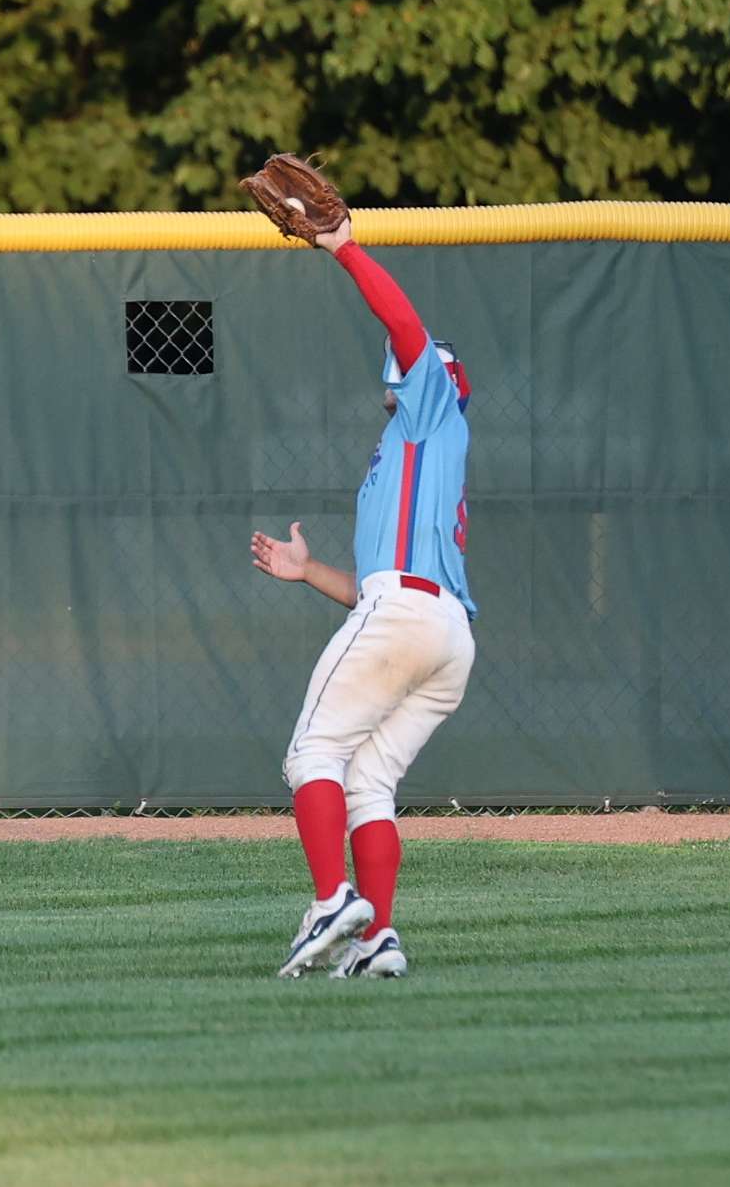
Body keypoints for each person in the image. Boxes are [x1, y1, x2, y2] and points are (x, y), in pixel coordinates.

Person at [249, 214, 476, 980]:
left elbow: (404, 323)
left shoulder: (431, 406)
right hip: (443, 634)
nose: (400, 363)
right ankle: (376, 937)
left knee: (312, 751)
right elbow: (379, 592)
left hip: (407, 614)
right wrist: (309, 570)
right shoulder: (412, 454)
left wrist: (342, 245)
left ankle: (329, 902)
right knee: (369, 782)